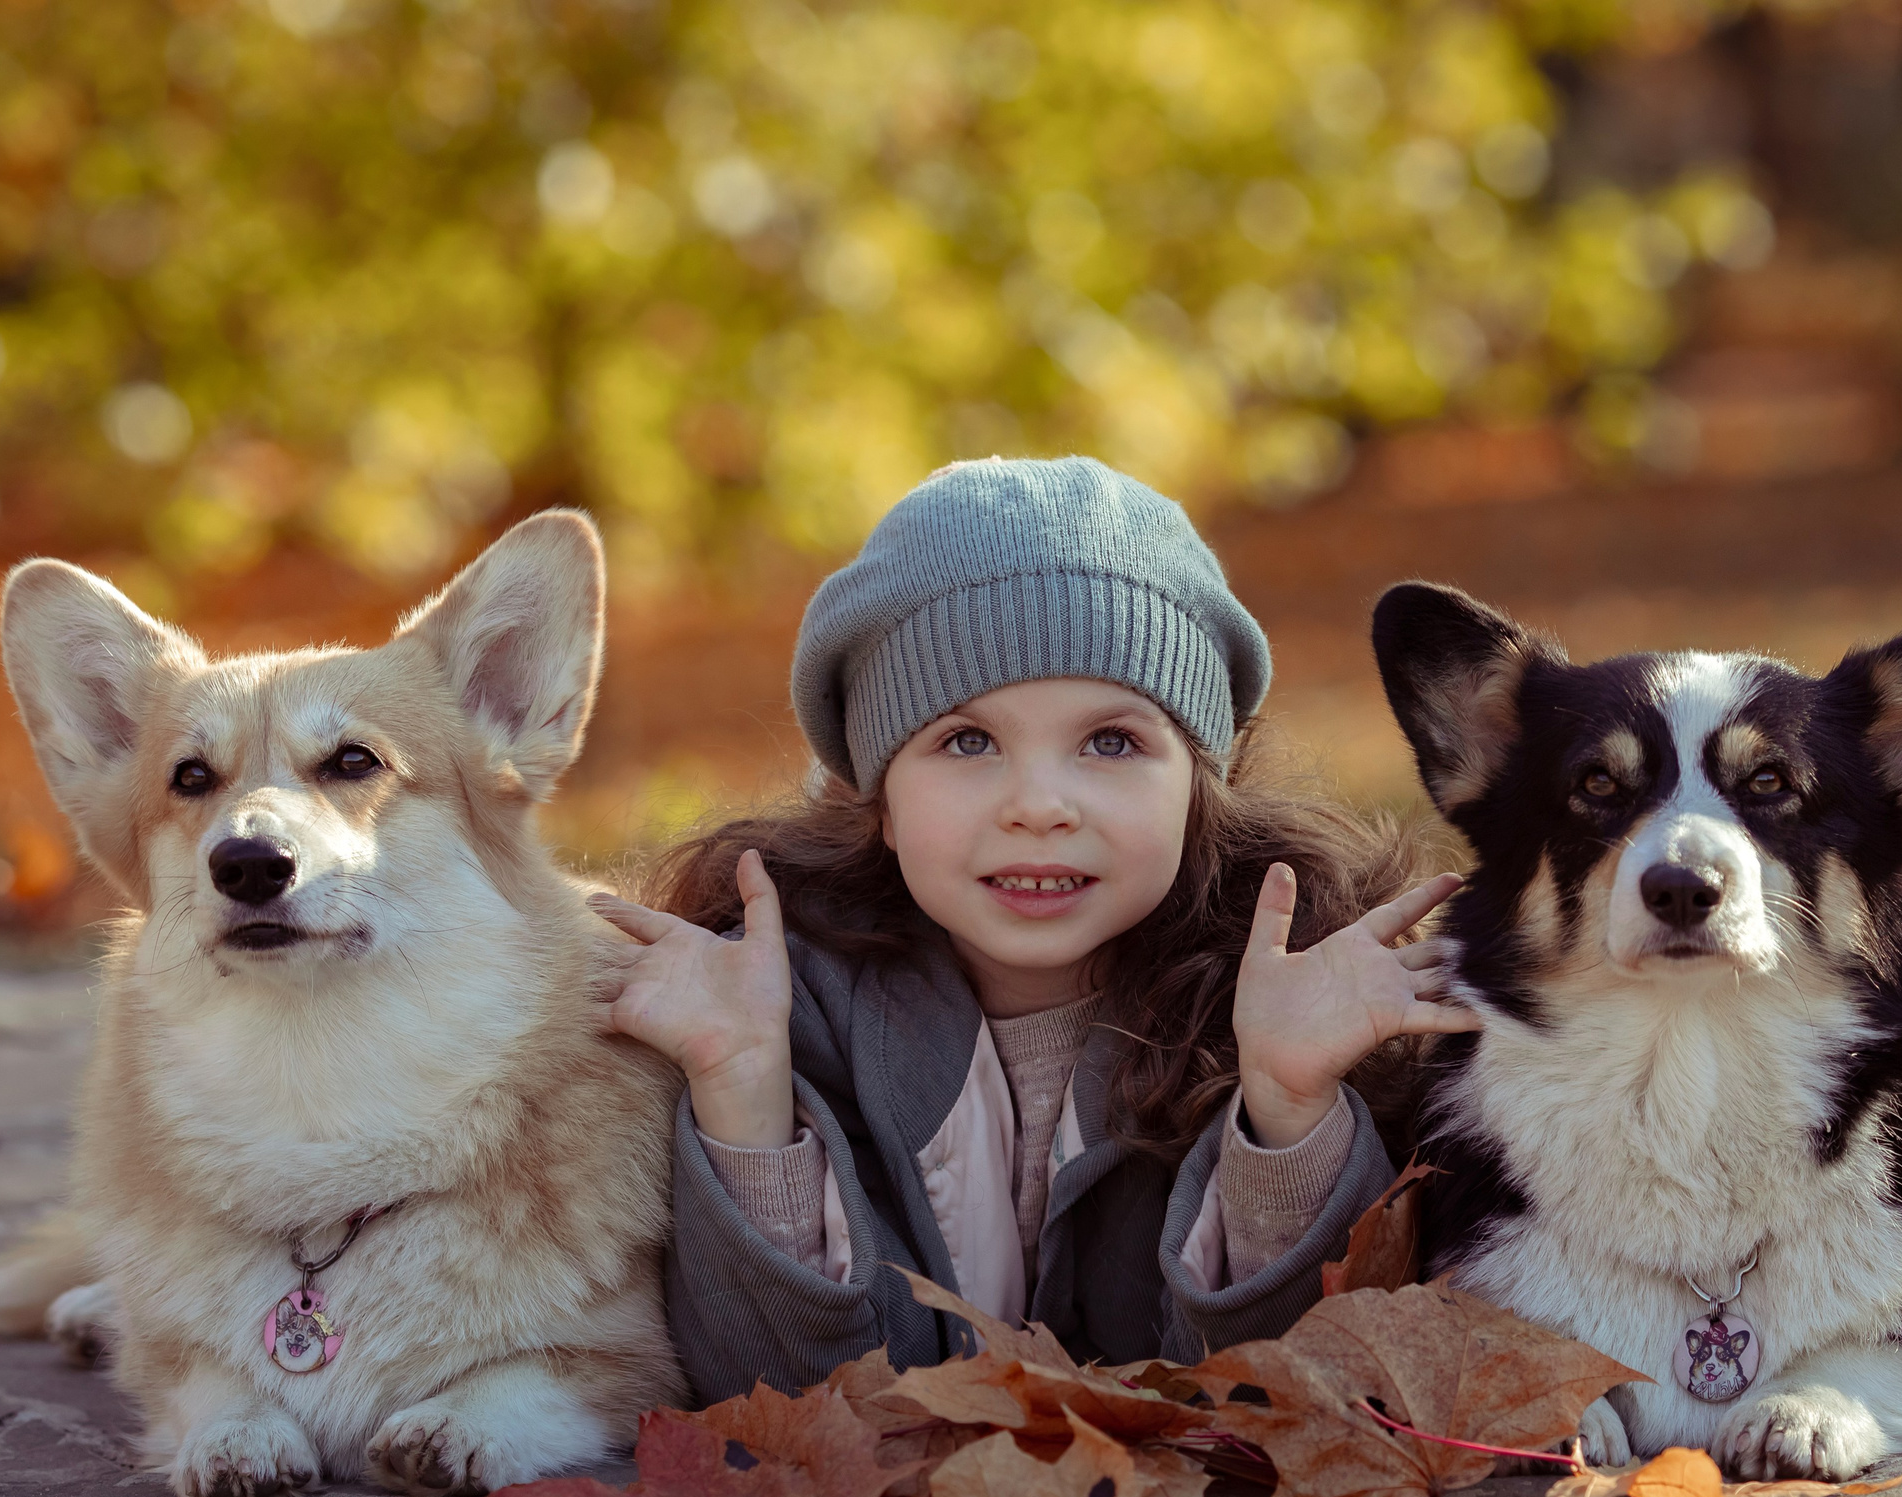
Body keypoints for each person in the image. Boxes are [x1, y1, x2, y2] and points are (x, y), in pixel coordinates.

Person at [592, 456, 1478, 1400]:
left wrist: (1288, 1111)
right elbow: (777, 1403)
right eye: (967, 742)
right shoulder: (784, 1008)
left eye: (1112, 741)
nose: (1041, 804)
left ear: (1199, 786)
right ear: (878, 800)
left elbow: (1286, 1397)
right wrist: (744, 1098)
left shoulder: (1290, 994)